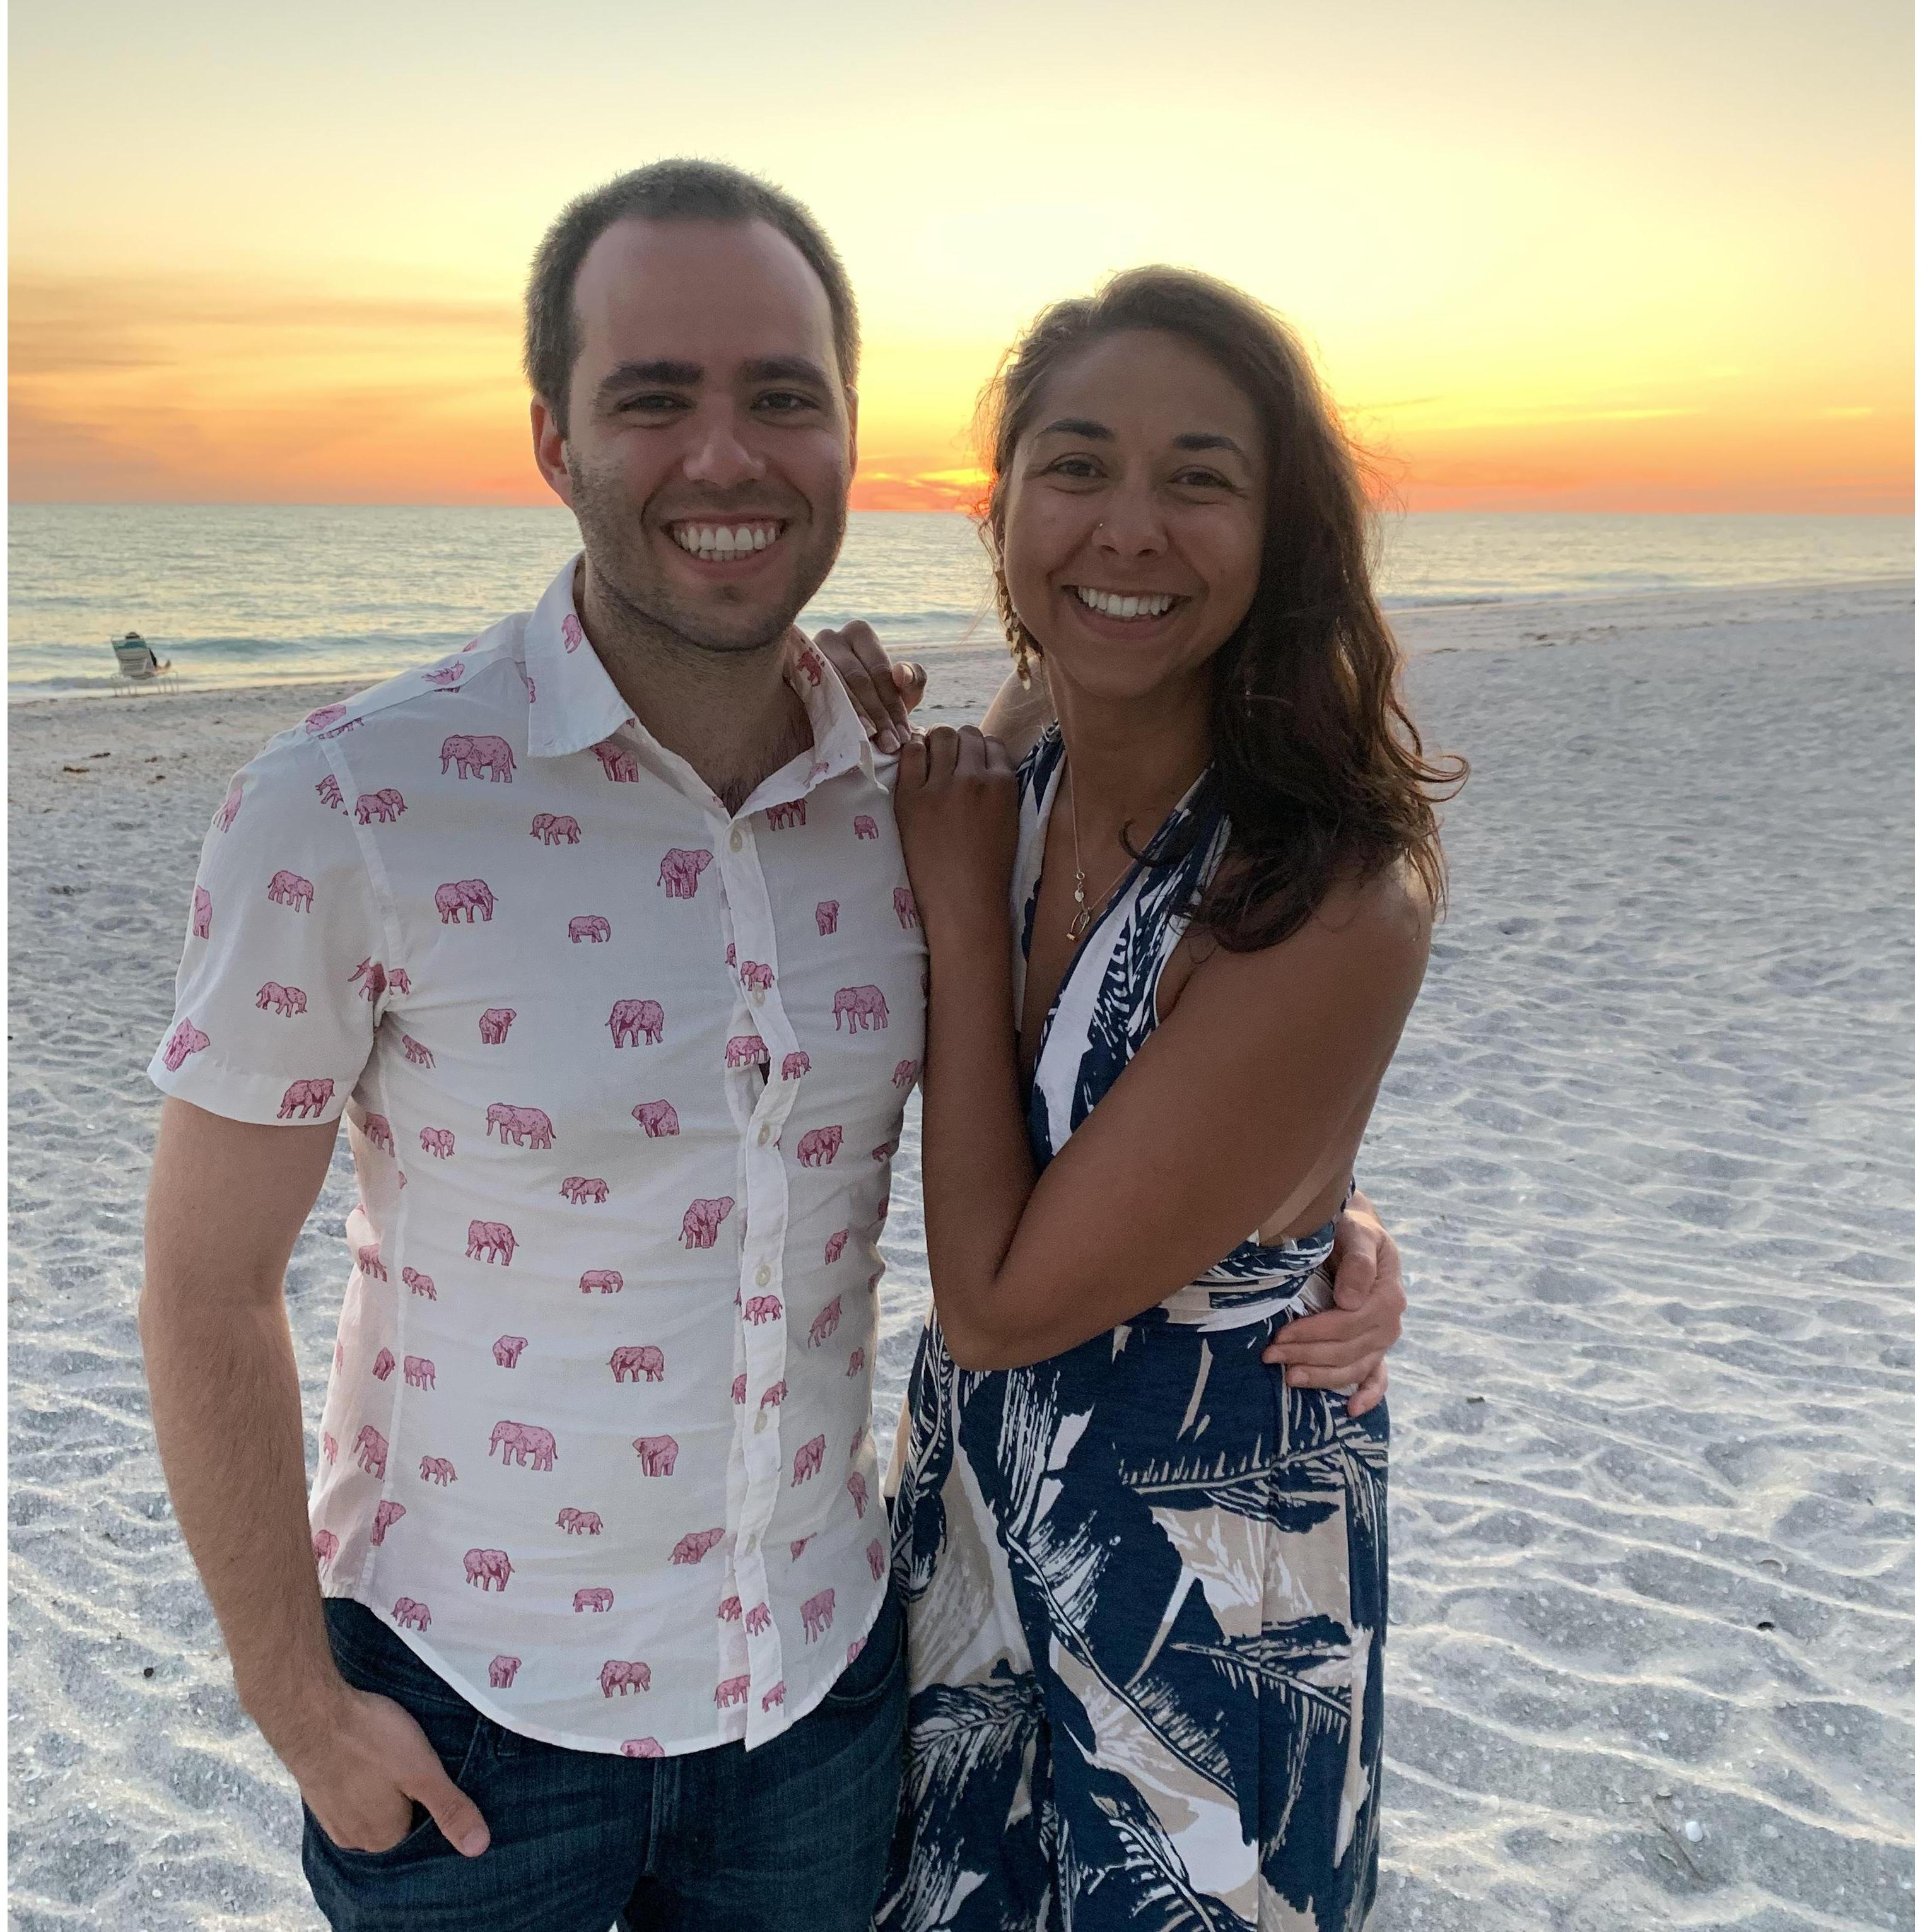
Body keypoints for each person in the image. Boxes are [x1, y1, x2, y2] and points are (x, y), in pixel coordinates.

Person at [138, 161, 1407, 1932]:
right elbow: (204, 1288)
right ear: (553, 440)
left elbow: (1155, 1072)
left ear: (848, 440)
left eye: (781, 398)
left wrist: (1313, 1232)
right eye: (653, 397)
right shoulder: (353, 799)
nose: (724, 457)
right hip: (471, 1714)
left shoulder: (894, 798)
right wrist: (301, 1711)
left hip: (825, 1707)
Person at [867, 269, 1463, 1931]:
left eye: (1200, 478)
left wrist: (958, 893)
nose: (1126, 528)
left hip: (1205, 1569)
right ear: (1001, 510)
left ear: (1284, 536)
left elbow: (992, 1306)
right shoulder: (1034, 732)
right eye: (1076, 465)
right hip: (986, 1510)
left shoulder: (1326, 894)